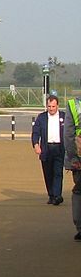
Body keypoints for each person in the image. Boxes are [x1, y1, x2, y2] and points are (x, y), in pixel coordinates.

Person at [31, 94, 66, 205]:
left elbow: (70, 132)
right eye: (49, 106)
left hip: (59, 149)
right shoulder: (41, 117)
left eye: (53, 106)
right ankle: (51, 195)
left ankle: (57, 195)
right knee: (48, 174)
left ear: (58, 106)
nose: (51, 109)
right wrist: (36, 145)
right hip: (46, 149)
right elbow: (35, 132)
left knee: (58, 173)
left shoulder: (64, 117)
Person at [64, 95, 81, 240]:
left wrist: (73, 158)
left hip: (79, 159)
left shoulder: (73, 104)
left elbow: (68, 135)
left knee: (79, 192)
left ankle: (80, 227)